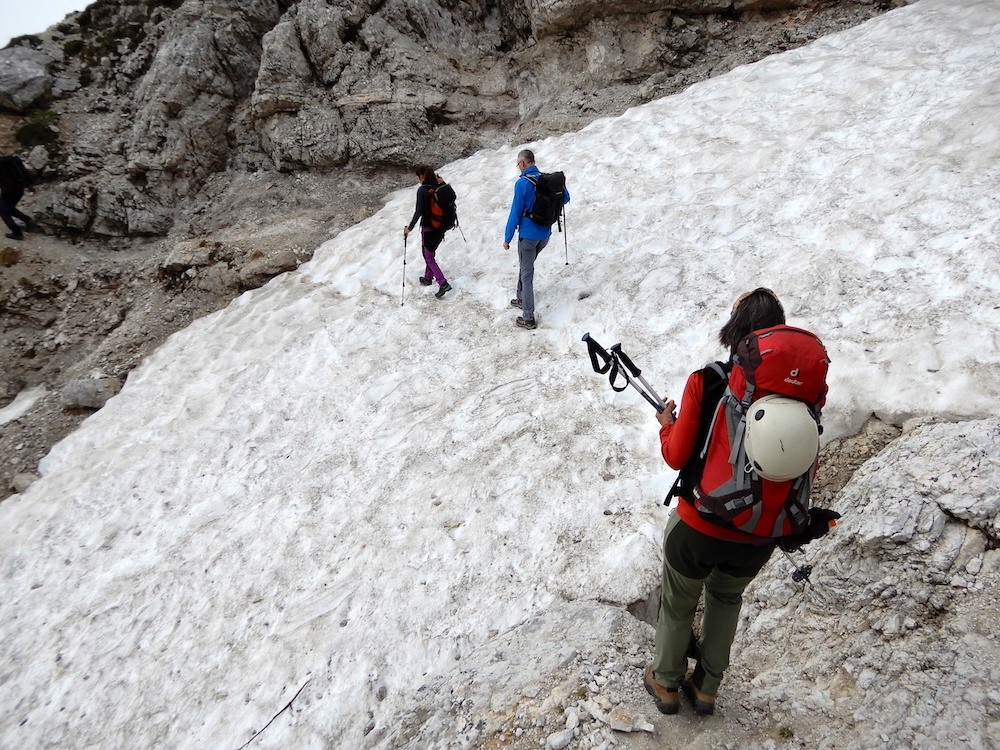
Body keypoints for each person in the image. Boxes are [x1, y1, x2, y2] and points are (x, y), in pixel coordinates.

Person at [644, 288, 789, 717]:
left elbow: (676, 455)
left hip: (700, 526)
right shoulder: (798, 399)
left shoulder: (706, 381)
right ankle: (706, 689)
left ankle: (666, 682)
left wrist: (667, 426)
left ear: (735, 331)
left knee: (679, 600)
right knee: (727, 600)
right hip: (760, 533)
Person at [503, 149, 569, 330]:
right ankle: (521, 296)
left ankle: (528, 317)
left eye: (518, 164)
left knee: (527, 273)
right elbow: (566, 197)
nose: (518, 167)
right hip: (544, 235)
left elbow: (515, 213)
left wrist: (507, 238)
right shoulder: (547, 180)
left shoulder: (522, 184)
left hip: (528, 237)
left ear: (523, 164)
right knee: (527, 264)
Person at [403, 164, 451, 299]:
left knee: (428, 256)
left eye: (418, 176)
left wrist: (409, 228)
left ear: (422, 176)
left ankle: (443, 283)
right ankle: (428, 278)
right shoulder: (439, 187)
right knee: (430, 252)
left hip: (429, 227)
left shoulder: (422, 190)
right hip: (441, 227)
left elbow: (418, 212)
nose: (418, 179)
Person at [0, 155, 35, 241]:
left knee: (3, 211)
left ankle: (17, 233)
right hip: (19, 189)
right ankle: (28, 221)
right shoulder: (8, 160)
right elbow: (24, 172)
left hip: (9, 190)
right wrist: (30, 185)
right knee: (8, 207)